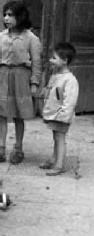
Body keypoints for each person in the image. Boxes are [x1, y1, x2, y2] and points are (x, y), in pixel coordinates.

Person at [0, 0, 42, 164]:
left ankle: (18, 149)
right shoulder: (1, 36)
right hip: (4, 76)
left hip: (21, 77)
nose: (6, 18)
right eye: (5, 14)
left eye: (10, 15)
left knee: (19, 115)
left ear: (20, 16)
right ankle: (0, 149)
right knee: (1, 113)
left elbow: (37, 62)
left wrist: (34, 82)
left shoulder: (31, 38)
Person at [40, 42, 79, 176]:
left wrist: (64, 116)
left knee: (60, 138)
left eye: (54, 58)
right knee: (55, 138)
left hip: (61, 116)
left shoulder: (70, 80)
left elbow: (70, 101)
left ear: (65, 61)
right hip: (53, 114)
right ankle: (54, 158)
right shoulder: (55, 75)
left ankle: (59, 165)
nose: (51, 60)